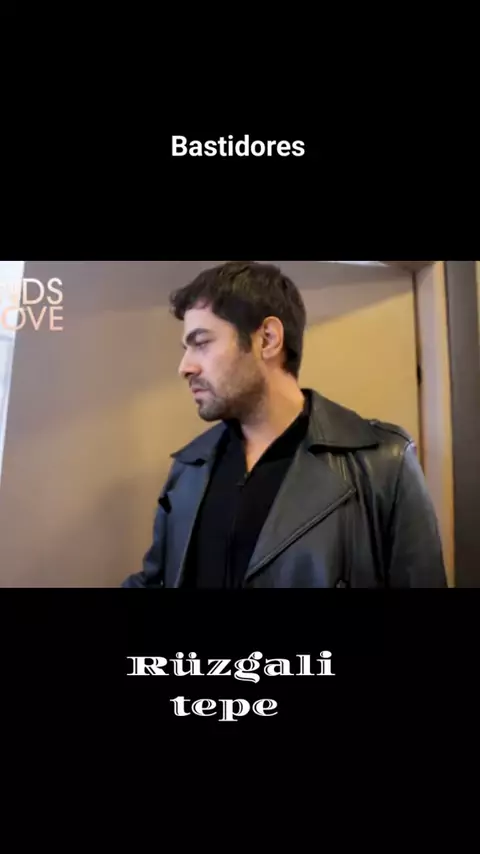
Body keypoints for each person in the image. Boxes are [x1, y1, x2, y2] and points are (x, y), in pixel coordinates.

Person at [122, 260, 447, 589]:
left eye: (202, 342)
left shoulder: (384, 464)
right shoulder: (189, 469)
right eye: (187, 348)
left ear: (267, 339)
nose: (185, 367)